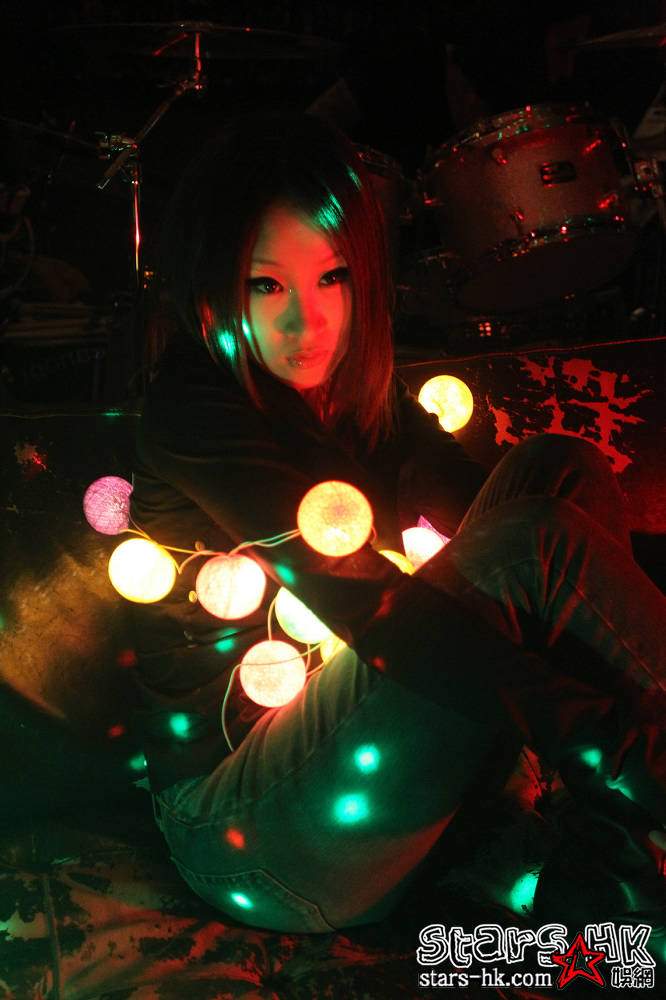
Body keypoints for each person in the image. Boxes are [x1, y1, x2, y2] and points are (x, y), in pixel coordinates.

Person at [128, 110, 666, 937]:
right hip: (248, 834)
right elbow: (381, 612)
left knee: (558, 472)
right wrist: (611, 741)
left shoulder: (355, 392)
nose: (307, 324)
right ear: (211, 286)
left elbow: (505, 517)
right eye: (266, 285)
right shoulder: (196, 414)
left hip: (365, 767)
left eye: (332, 278)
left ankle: (600, 849)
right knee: (523, 547)